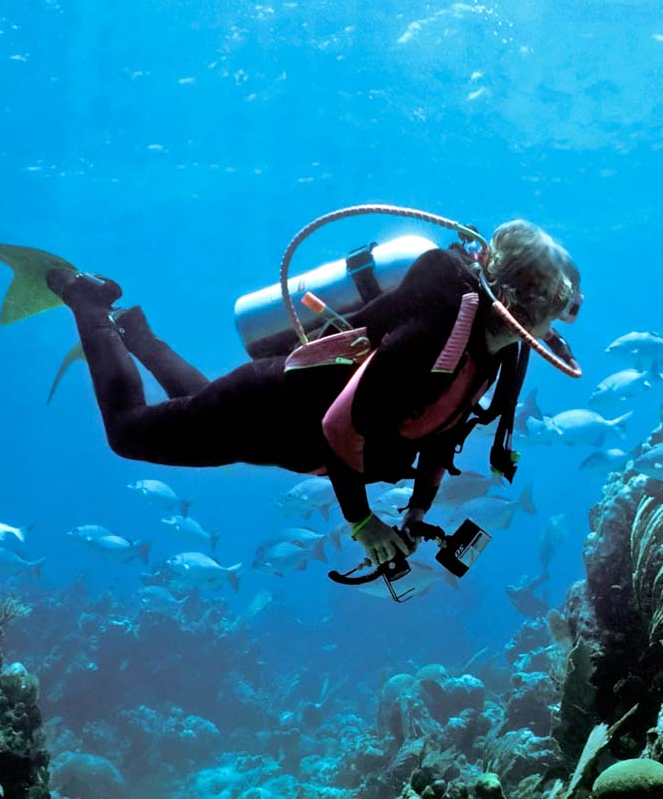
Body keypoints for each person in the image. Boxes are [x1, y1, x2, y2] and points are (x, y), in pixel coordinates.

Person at [45, 220, 581, 568]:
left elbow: (447, 429)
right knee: (127, 431)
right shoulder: (438, 323)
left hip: (285, 436)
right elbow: (339, 426)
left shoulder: (501, 347)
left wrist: (417, 513)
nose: (553, 324)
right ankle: (88, 303)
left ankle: (138, 334)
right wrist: (364, 523)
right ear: (518, 299)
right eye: (551, 309)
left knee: (197, 412)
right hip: (265, 407)